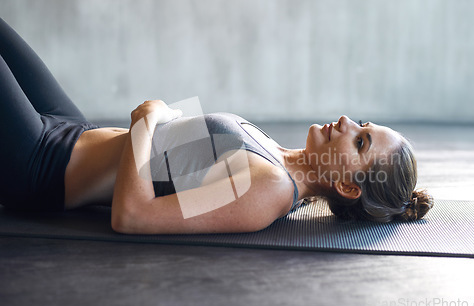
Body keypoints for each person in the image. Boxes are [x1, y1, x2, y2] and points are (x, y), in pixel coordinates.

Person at [0, 18, 433, 234]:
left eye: (360, 140)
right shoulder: (281, 158)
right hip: (73, 129)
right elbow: (172, 161)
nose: (346, 121)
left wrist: (144, 122)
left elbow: (132, 215)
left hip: (40, 164)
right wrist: (159, 122)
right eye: (362, 124)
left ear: (351, 188)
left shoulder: (272, 190)